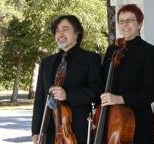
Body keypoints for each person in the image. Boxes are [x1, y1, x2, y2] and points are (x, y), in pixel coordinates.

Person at [31, 15, 103, 144]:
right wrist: (36, 131)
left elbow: (96, 92)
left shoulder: (91, 59)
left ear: (77, 33)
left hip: (77, 130)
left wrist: (67, 95)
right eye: (57, 30)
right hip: (49, 131)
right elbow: (40, 98)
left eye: (65, 29)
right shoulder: (46, 62)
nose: (60, 34)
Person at [99, 4, 154, 143]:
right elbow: (102, 83)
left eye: (130, 20)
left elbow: (151, 92)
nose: (124, 24)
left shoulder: (150, 52)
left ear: (140, 24)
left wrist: (119, 99)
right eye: (121, 21)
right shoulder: (112, 50)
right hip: (110, 120)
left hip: (138, 122)